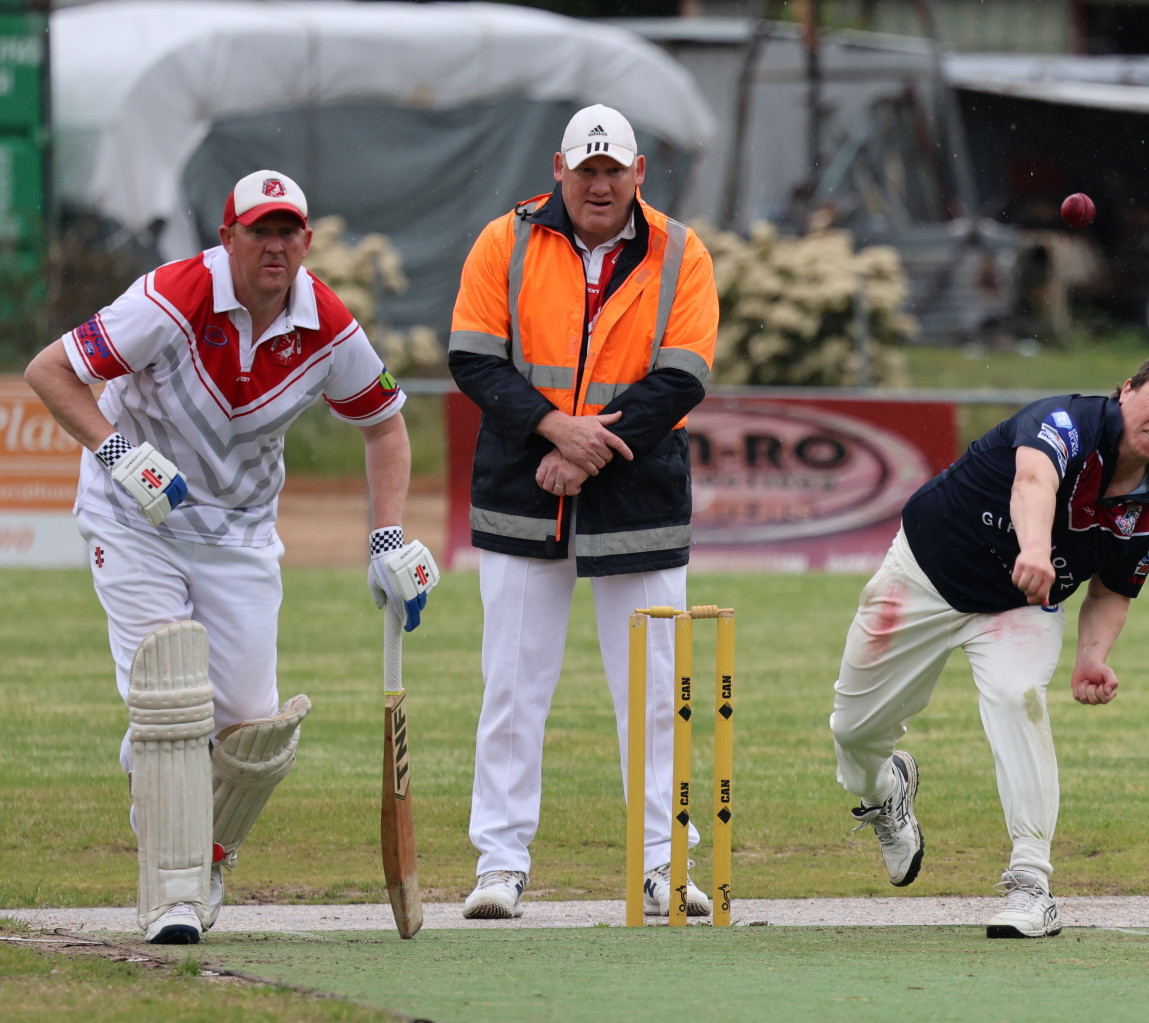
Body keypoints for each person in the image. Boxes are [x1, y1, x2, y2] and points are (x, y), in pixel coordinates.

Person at [25, 169, 435, 945]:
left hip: (240, 531)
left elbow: (385, 425)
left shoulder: (327, 326)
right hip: (134, 515)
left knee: (252, 733)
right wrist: (119, 455)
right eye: (260, 231)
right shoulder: (172, 297)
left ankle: (179, 803)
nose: (275, 246)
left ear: (306, 242)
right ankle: (178, 890)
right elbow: (52, 370)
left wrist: (385, 539)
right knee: (171, 687)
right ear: (228, 238)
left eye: (288, 232)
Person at [831, 346, 1149, 938]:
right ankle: (887, 791)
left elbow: (1113, 590)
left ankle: (1030, 884)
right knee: (853, 732)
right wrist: (1036, 548)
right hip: (922, 576)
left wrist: (1093, 657)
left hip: (1020, 605)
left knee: (1019, 697)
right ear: (1128, 390)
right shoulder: (1065, 420)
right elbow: (1034, 477)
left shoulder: (1146, 510)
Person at [447, 105, 719, 921]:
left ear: (639, 175)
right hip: (522, 489)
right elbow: (471, 356)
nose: (599, 186)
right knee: (512, 686)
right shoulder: (505, 239)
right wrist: (551, 428)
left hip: (633, 495)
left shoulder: (683, 251)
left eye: (614, 172)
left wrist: (583, 448)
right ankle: (500, 863)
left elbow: (683, 376)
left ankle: (664, 863)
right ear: (559, 170)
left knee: (654, 691)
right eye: (585, 171)